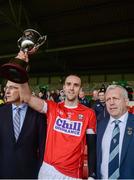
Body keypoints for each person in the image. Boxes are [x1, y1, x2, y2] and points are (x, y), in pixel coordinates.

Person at [17, 51, 96, 179]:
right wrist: (20, 68)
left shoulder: (89, 113)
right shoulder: (52, 107)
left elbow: (92, 148)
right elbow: (26, 97)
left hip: (73, 174)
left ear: (81, 89)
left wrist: (92, 174)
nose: (71, 88)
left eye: (76, 85)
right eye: (68, 84)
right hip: (48, 169)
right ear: (63, 88)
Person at [0, 80, 47, 179]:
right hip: (4, 173)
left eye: (12, 87)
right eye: (6, 87)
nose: (7, 91)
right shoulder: (1, 112)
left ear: (23, 90)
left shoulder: (38, 114)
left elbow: (43, 149)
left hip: (30, 174)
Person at [97, 84, 134, 179]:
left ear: (126, 102)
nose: (111, 102)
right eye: (108, 99)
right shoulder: (100, 125)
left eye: (115, 98)